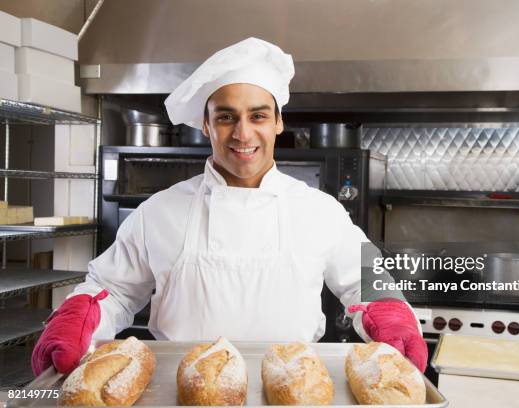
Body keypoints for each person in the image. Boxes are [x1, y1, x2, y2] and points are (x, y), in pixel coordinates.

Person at [31, 37, 427, 377]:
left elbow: (367, 281)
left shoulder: (319, 211)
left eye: (258, 115)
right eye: (226, 117)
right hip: (179, 388)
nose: (242, 133)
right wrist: (74, 317)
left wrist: (391, 314)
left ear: (277, 123)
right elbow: (111, 289)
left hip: (290, 386)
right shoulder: (160, 211)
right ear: (206, 125)